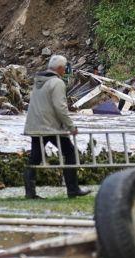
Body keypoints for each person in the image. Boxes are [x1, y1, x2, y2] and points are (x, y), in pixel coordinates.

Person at [23, 55, 91, 199]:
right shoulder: (57, 83)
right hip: (50, 127)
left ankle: (30, 192)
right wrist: (71, 126)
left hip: (35, 125)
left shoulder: (39, 81)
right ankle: (72, 189)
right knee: (70, 152)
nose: (66, 70)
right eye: (65, 67)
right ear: (60, 68)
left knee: (35, 158)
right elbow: (60, 108)